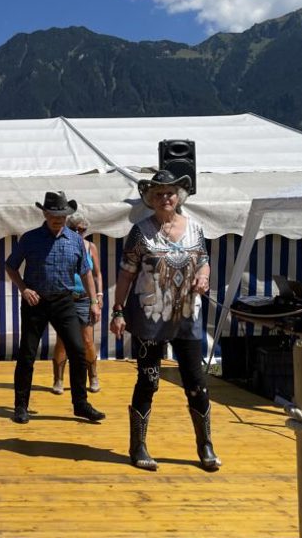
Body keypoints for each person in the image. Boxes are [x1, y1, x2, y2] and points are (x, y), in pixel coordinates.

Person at [110, 170, 220, 471]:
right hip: (150, 317)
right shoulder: (140, 231)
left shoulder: (195, 229)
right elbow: (126, 273)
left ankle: (205, 445)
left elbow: (204, 261)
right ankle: (139, 445)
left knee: (196, 383)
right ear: (150, 199)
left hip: (186, 317)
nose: (165, 198)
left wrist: (203, 276)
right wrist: (117, 311)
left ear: (179, 196)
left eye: (170, 193)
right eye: (158, 194)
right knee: (148, 380)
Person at [6, 191, 105, 424]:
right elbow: (10, 266)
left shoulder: (76, 240)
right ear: (45, 213)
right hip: (36, 301)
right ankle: (21, 406)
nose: (58, 219)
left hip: (64, 300)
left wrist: (94, 301)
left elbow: (86, 272)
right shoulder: (30, 239)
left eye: (62, 215)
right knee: (27, 353)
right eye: (53, 214)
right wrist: (23, 289)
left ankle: (80, 404)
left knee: (78, 350)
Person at [51, 212, 104, 394]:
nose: (79, 233)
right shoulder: (60, 244)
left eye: (82, 230)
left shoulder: (90, 247)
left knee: (88, 340)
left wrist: (98, 296)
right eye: (75, 229)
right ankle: (58, 379)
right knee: (62, 340)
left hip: (84, 299)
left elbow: (97, 274)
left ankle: (93, 376)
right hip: (64, 298)